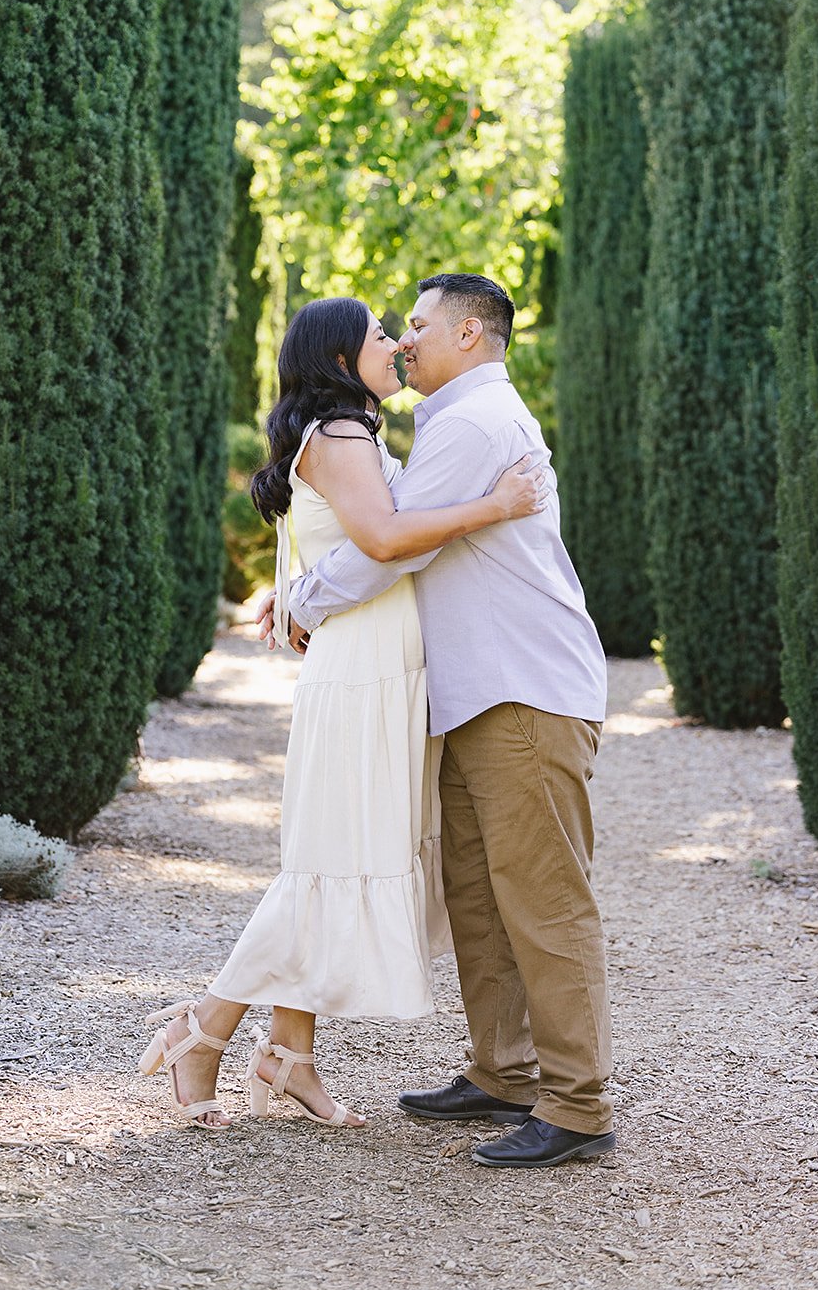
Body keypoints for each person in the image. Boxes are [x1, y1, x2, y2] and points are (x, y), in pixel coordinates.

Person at [139, 296, 547, 1130]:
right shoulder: (342, 436)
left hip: (377, 661)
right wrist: (495, 507)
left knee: (336, 860)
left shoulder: (346, 435)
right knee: (326, 869)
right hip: (363, 667)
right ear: (336, 362)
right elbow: (389, 541)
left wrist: (297, 593)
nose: (397, 345)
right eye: (379, 337)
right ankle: (204, 1029)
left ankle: (290, 1057)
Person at [268, 274, 615, 1170]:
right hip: (474, 693)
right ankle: (501, 1073)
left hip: (521, 692)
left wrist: (301, 600)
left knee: (543, 900)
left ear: (468, 336)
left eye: (417, 326)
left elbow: (393, 547)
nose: (405, 339)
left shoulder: (470, 423)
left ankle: (576, 1104)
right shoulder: (450, 422)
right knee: (477, 895)